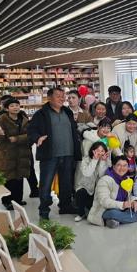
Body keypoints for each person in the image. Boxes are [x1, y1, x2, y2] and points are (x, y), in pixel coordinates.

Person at [27, 87, 82, 219]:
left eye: (63, 96)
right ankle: (44, 210)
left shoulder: (67, 112)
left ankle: (65, 206)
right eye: (58, 96)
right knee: (46, 184)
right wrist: (37, 138)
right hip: (50, 155)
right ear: (49, 98)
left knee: (66, 183)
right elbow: (31, 130)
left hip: (68, 154)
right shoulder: (41, 114)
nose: (62, 98)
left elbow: (74, 129)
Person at [88, 155, 137, 228]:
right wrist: (123, 204)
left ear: (128, 167)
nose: (122, 168)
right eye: (119, 165)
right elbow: (104, 201)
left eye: (125, 165)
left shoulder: (126, 179)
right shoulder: (105, 180)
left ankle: (115, 220)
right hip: (105, 210)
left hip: (122, 209)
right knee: (113, 213)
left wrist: (134, 201)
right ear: (113, 166)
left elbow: (128, 196)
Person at [0, 98, 31, 210]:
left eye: (17, 105)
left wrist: (17, 139)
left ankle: (17, 200)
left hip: (21, 153)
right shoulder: (2, 120)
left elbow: (30, 135)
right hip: (7, 154)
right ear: (7, 108)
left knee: (19, 177)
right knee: (8, 178)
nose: (15, 107)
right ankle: (7, 201)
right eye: (12, 106)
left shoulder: (24, 119)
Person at [74, 141, 111, 221]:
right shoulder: (85, 160)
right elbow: (87, 173)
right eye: (97, 150)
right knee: (81, 193)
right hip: (85, 188)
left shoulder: (106, 160)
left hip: (96, 190)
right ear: (92, 150)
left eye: (102, 151)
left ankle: (89, 210)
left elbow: (102, 175)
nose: (100, 153)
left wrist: (103, 161)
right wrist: (95, 160)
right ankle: (81, 213)